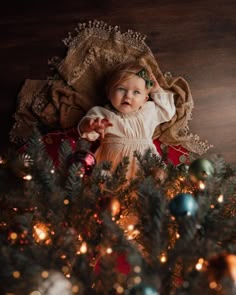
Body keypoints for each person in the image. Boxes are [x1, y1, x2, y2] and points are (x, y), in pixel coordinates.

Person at [77, 61, 176, 179]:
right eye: (121, 89)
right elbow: (85, 130)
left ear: (145, 99)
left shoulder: (148, 111)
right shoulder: (103, 114)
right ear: (109, 93)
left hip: (145, 165)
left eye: (136, 92)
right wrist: (91, 125)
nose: (128, 96)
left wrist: (156, 89)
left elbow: (168, 111)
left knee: (154, 185)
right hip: (112, 167)